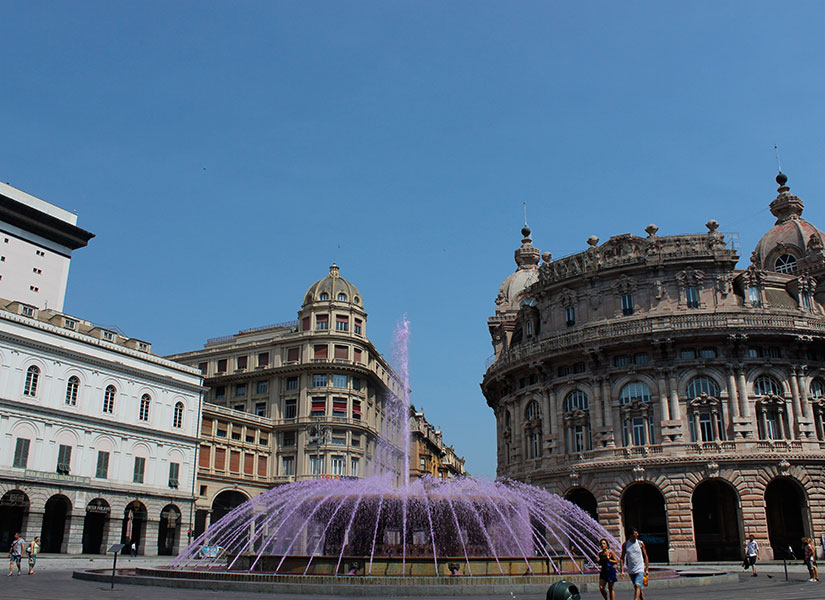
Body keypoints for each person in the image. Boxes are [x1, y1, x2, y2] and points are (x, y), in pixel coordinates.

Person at [620, 528, 649, 600]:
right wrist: (622, 570)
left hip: (640, 567)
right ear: (631, 535)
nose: (637, 535)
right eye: (635, 534)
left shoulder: (640, 543)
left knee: (637, 585)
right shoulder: (626, 544)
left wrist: (646, 568)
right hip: (631, 569)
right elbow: (622, 558)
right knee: (638, 588)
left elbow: (645, 556)